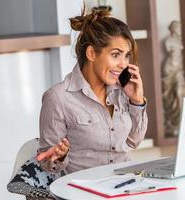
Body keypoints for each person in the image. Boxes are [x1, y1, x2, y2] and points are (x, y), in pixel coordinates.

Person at [36, 7, 148, 175]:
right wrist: (58, 157)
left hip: (123, 185)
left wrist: (137, 101)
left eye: (126, 56)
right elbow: (48, 164)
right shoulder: (58, 98)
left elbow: (133, 142)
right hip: (82, 191)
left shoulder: (123, 90)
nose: (123, 64)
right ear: (91, 53)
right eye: (116, 55)